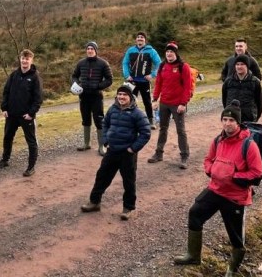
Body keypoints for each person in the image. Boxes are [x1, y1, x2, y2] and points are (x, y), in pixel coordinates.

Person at [174, 100, 262, 277]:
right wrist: (211, 170)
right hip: (215, 189)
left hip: (235, 196)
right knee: (195, 213)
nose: (227, 123)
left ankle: (232, 270)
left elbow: (257, 173)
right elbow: (208, 159)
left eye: (231, 120)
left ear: (238, 123)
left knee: (236, 238)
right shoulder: (218, 140)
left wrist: (234, 177)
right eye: (225, 120)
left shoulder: (249, 145)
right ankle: (193, 255)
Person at [80, 85, 151, 220]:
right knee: (102, 177)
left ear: (130, 97)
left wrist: (133, 148)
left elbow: (145, 133)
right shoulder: (112, 109)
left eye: (124, 95)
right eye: (119, 95)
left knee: (128, 182)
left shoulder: (138, 113)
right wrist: (105, 140)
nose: (121, 97)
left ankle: (128, 208)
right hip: (112, 151)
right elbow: (105, 124)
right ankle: (94, 202)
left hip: (127, 154)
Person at [0, 49, 43, 177]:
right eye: (23, 58)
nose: (24, 61)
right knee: (7, 137)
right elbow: (6, 92)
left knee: (31, 141)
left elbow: (38, 99)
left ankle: (31, 167)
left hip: (26, 116)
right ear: (20, 59)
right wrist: (4, 108)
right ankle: (5, 160)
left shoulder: (35, 77)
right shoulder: (14, 75)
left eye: (27, 59)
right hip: (12, 114)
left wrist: (31, 114)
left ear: (31, 60)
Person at [149, 41, 192, 169]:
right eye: (167, 52)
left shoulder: (183, 67)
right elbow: (158, 84)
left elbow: (187, 87)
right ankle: (159, 153)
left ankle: (184, 156)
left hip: (177, 104)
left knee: (181, 131)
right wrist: (155, 99)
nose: (169, 54)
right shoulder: (162, 66)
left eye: (171, 52)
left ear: (176, 53)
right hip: (164, 103)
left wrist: (183, 103)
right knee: (163, 128)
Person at [71, 41, 113, 154]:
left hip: (96, 97)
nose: (90, 50)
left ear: (95, 50)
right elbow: (74, 76)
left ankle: (101, 146)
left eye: (92, 49)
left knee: (99, 120)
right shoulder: (80, 63)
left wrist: (98, 86)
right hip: (83, 96)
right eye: (88, 48)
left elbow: (109, 79)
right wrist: (76, 84)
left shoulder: (103, 63)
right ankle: (86, 143)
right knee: (85, 119)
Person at [122, 31, 162, 130]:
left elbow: (159, 64)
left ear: (145, 40)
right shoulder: (130, 50)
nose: (140, 38)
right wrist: (127, 75)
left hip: (144, 81)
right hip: (132, 81)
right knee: (130, 101)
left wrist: (152, 74)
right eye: (138, 37)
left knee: (147, 101)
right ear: (136, 39)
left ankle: (151, 121)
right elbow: (125, 63)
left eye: (142, 37)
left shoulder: (151, 51)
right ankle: (131, 121)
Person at [222, 54, 262, 122]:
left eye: (242, 64)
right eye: (237, 64)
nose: (239, 67)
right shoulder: (228, 81)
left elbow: (260, 103)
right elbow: (224, 100)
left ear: (247, 66)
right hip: (232, 119)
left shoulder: (255, 82)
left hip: (249, 120)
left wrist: (255, 118)